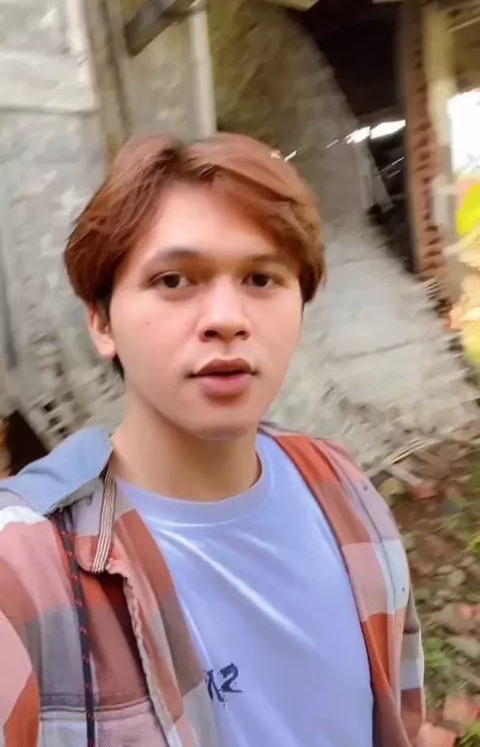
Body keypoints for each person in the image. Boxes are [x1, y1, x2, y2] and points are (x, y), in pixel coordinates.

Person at [0, 132, 425, 746]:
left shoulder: (341, 483)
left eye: (261, 278)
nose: (226, 318)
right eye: (175, 280)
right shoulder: (24, 566)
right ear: (101, 321)